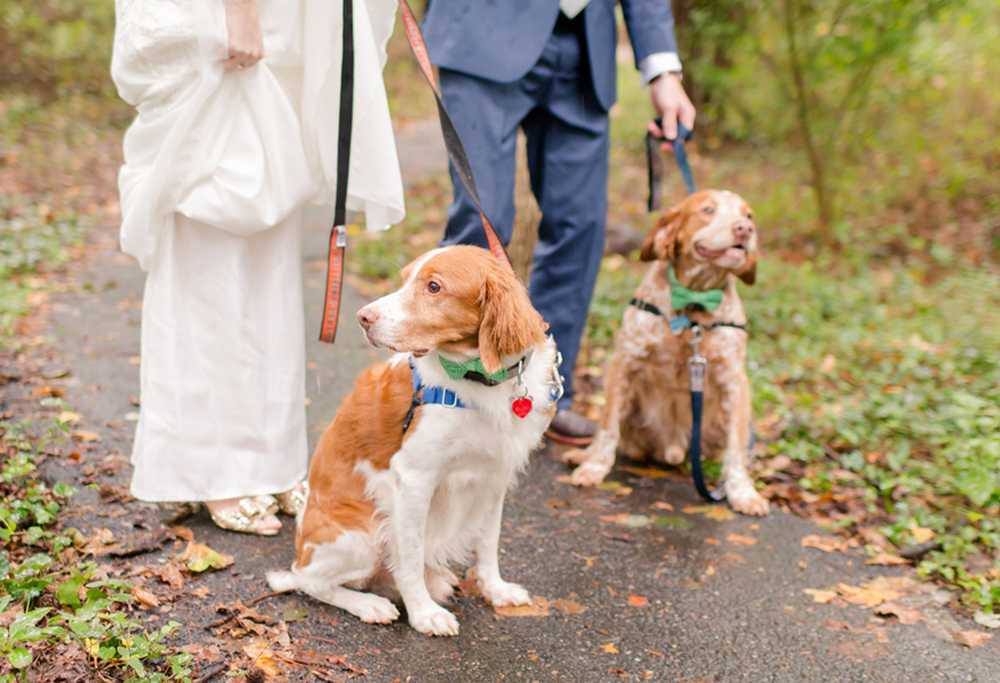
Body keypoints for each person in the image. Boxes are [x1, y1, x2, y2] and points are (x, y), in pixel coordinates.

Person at [111, 0, 404, 534]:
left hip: (282, 22)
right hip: (224, 21)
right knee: (212, 243)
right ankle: (212, 469)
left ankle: (269, 460)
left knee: (268, 258)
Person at [422, 0, 696, 444]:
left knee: (580, 226)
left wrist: (663, 69)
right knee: (481, 222)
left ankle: (542, 395)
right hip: (483, 30)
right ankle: (452, 395)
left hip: (586, 47)